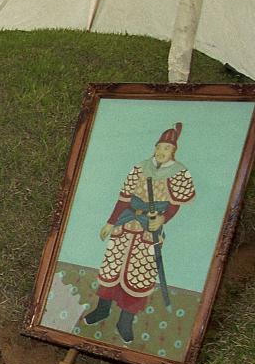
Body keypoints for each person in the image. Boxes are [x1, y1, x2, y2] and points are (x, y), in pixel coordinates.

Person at [82, 122, 196, 343]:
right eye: (160, 147)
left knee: (140, 275)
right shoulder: (140, 167)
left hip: (148, 230)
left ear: (174, 151)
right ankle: (102, 309)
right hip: (125, 226)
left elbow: (174, 204)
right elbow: (124, 198)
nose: (162, 152)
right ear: (155, 147)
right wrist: (110, 222)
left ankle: (125, 321)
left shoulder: (179, 173)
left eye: (167, 149)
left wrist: (163, 218)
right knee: (112, 268)